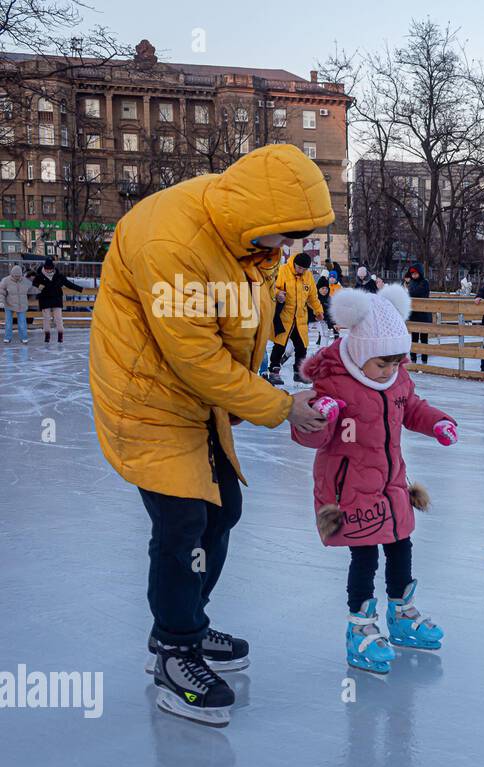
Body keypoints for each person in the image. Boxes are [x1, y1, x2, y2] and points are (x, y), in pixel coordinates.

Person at [89, 143, 333, 727]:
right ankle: (175, 650)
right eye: (285, 236)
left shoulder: (239, 235)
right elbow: (194, 355)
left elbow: (236, 327)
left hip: (197, 396)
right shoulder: (171, 240)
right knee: (183, 522)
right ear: (261, 220)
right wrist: (279, 406)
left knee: (223, 510)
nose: (287, 249)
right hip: (146, 394)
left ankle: (184, 623)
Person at [291, 285, 458, 674]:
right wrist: (323, 415)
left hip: (391, 482)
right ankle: (361, 626)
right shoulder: (333, 384)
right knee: (364, 554)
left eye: (397, 363)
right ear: (361, 354)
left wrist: (438, 423)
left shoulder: (396, 381)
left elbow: (412, 408)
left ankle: (401, 614)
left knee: (401, 544)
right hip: (347, 488)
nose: (390, 371)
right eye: (382, 364)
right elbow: (307, 434)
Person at [268, 251, 324, 384]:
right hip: (284, 316)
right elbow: (270, 287)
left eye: (304, 269)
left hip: (300, 318)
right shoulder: (283, 270)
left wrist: (318, 311)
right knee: (280, 345)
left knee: (302, 346)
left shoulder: (308, 276)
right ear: (294, 264)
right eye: (299, 268)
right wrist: (278, 293)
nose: (301, 271)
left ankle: (299, 373)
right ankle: (274, 372)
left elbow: (312, 297)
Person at [30, 257, 84, 344]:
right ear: (44, 267)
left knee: (58, 318)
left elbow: (68, 284)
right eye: (47, 269)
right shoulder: (39, 276)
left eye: (50, 269)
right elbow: (33, 283)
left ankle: (60, 335)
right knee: (46, 318)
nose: (48, 271)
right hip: (45, 299)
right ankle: (47, 336)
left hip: (56, 299)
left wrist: (80, 289)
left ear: (53, 268)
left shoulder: (59, 276)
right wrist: (38, 285)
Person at [405, 263, 431, 364]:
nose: (414, 275)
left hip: (424, 315)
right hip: (414, 315)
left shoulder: (424, 282)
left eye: (415, 273)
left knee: (424, 338)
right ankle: (413, 359)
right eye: (412, 274)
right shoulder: (411, 283)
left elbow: (417, 293)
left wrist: (408, 289)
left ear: (420, 273)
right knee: (414, 338)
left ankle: (424, 360)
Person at [1, 264, 33, 344]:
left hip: (21, 305)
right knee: (8, 322)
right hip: (9, 304)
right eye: (15, 276)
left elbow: (32, 288)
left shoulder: (25, 281)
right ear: (12, 274)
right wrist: (1, 301)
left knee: (22, 322)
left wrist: (40, 288)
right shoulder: (6, 280)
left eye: (18, 276)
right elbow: (1, 292)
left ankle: (24, 337)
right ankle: (7, 338)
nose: (17, 278)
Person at [316, 274, 336, 341]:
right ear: (318, 289)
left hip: (326, 321)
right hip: (315, 321)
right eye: (323, 288)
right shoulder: (314, 299)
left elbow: (331, 313)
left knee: (325, 335)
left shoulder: (329, 299)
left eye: (326, 288)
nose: (325, 290)